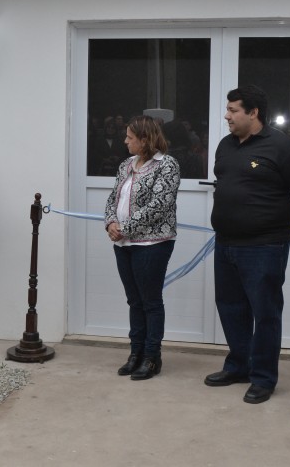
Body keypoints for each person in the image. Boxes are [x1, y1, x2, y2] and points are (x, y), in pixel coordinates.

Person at [205, 85, 290, 404]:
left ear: (253, 113)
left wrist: (281, 222)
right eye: (227, 109)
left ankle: (264, 377)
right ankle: (239, 366)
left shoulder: (282, 147)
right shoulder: (226, 145)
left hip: (265, 246)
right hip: (226, 242)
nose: (226, 116)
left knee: (265, 312)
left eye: (233, 110)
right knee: (231, 308)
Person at [104, 115, 180, 380]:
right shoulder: (126, 164)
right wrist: (110, 223)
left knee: (150, 301)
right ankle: (135, 354)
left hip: (152, 244)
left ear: (145, 140)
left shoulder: (167, 164)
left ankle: (151, 357)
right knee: (134, 301)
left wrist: (124, 227)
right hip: (123, 244)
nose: (125, 141)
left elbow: (159, 205)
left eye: (130, 137)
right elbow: (113, 198)